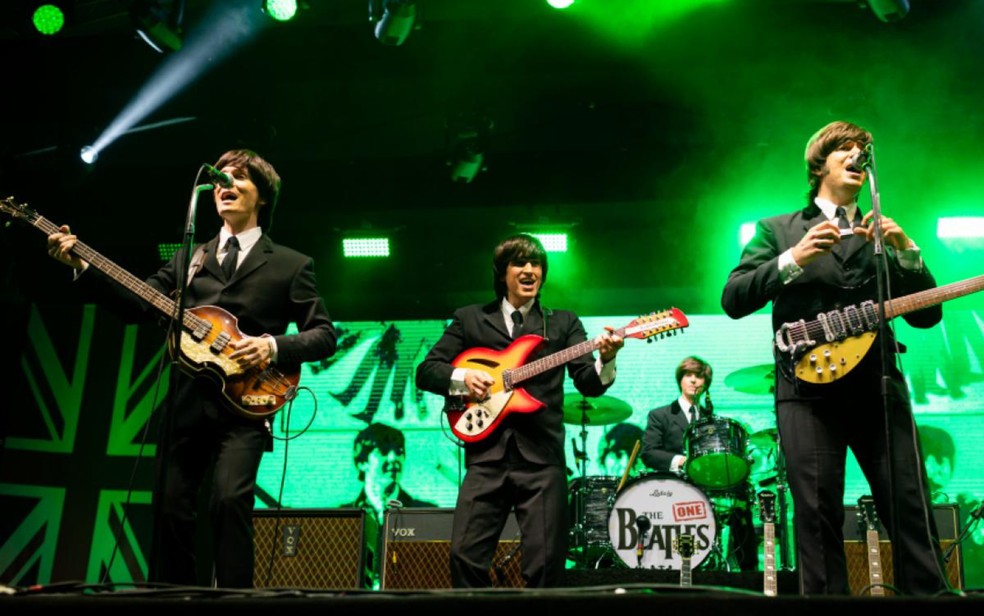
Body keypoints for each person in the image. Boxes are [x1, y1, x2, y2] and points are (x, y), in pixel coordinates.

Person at [46, 149, 338, 588]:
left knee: (228, 500)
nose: (225, 185)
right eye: (220, 179)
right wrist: (83, 266)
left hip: (246, 406)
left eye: (239, 178)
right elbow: (139, 304)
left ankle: (236, 599)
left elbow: (324, 335)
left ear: (262, 196)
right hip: (184, 405)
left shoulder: (291, 264)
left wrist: (271, 347)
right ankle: (174, 598)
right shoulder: (191, 258)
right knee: (169, 508)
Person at [721, 120, 949, 595]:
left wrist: (907, 252)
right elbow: (734, 298)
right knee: (817, 511)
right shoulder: (779, 230)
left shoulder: (879, 231)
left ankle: (931, 599)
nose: (857, 155)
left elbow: (927, 317)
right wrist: (794, 258)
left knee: (909, 503)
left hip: (877, 386)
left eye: (863, 149)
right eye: (845, 148)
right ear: (819, 164)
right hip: (807, 395)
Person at [414, 233, 624, 588]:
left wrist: (608, 357)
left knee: (545, 567)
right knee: (464, 556)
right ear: (502, 273)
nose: (530, 270)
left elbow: (589, 383)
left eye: (536, 264)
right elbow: (427, 370)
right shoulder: (470, 319)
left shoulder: (563, 323)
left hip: (542, 459)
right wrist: (463, 378)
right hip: (486, 457)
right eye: (519, 263)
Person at [639, 355, 759, 571]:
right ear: (680, 380)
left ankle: (748, 572)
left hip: (709, 485)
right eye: (688, 375)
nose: (694, 380)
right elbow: (648, 453)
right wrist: (680, 461)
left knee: (740, 495)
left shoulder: (711, 419)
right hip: (676, 485)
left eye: (699, 377)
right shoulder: (660, 415)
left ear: (706, 384)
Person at [340, 422, 438, 525]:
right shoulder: (343, 517)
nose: (393, 458)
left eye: (399, 452)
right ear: (362, 462)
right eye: (384, 451)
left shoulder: (426, 513)